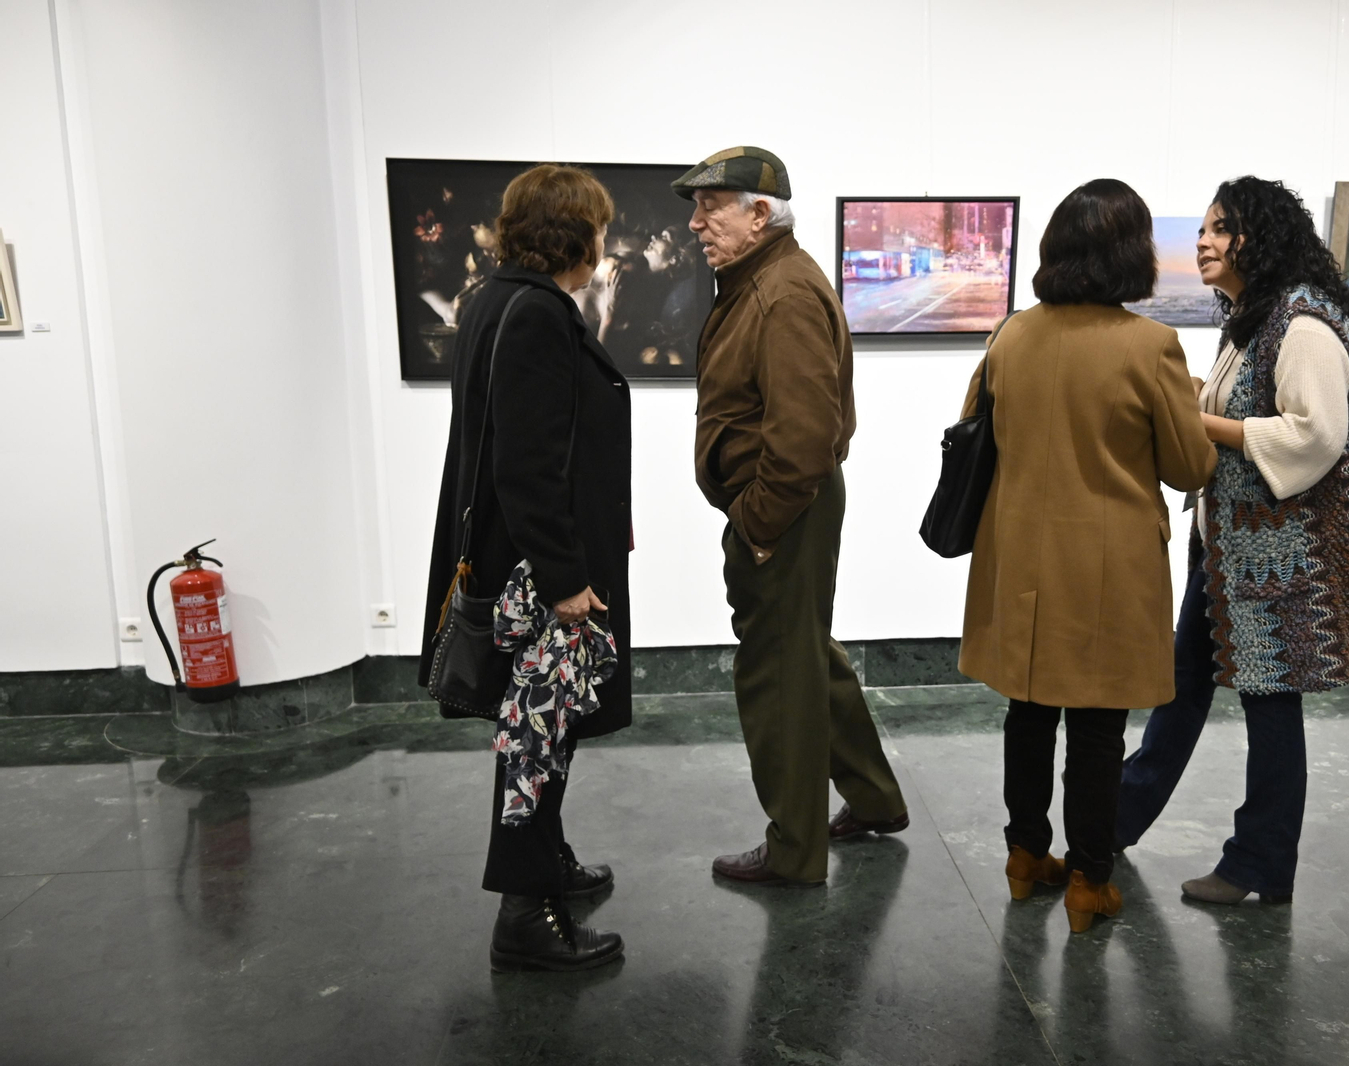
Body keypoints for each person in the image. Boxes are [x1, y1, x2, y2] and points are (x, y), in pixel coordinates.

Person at [1117, 176, 1349, 906]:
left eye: (1218, 229)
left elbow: (1315, 437)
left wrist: (1193, 422)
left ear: (1255, 238)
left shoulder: (1304, 325)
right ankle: (1114, 823)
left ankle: (1258, 865)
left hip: (1284, 561)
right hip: (1232, 553)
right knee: (1183, 688)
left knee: (1269, 707)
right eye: (1202, 229)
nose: (1202, 242)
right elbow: (1235, 410)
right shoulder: (1253, 320)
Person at [956, 179, 1216, 932]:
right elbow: (1189, 468)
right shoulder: (1151, 346)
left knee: (1028, 713)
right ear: (1134, 254)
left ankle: (1023, 856)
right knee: (1099, 729)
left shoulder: (1011, 336)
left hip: (1018, 560)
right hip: (1109, 566)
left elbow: (976, 428)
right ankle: (1088, 882)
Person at [672, 146, 908, 887]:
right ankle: (874, 798)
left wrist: (759, 523)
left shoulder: (783, 292)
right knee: (804, 654)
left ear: (759, 215)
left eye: (711, 207)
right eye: (696, 207)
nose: (696, 223)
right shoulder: (763, 280)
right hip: (785, 503)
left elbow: (804, 436)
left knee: (778, 674)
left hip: (784, 507)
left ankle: (794, 849)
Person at [421, 164, 633, 970]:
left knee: (545, 728)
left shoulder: (495, 298)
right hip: (538, 578)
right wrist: (566, 580)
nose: (604, 242)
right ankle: (524, 913)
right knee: (537, 737)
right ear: (574, 234)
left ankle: (548, 863)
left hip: (518, 565)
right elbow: (528, 466)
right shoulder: (538, 312)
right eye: (599, 228)